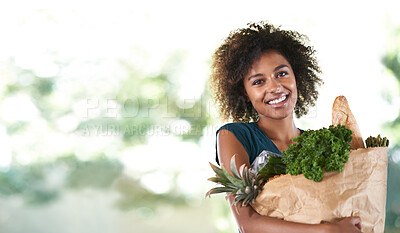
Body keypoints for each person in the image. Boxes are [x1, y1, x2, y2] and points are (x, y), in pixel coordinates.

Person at [209, 21, 362, 233]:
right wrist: (331, 230)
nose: (274, 87)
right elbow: (248, 224)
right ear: (244, 92)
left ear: (296, 76)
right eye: (258, 82)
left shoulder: (320, 144)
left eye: (281, 74)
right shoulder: (234, 136)